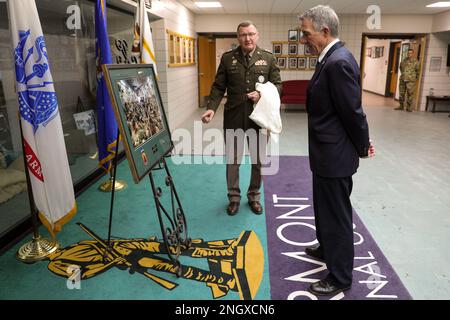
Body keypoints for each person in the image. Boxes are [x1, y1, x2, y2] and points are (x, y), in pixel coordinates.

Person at [298, 5, 375, 296]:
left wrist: (363, 146)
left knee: (336, 216)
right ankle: (327, 247)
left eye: (307, 34)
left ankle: (340, 276)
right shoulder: (328, 57)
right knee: (323, 207)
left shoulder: (338, 62)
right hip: (326, 153)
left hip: (335, 156)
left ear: (325, 31)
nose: (303, 39)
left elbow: (353, 112)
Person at [201, 21, 282, 216]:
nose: (248, 38)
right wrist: (211, 107)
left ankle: (254, 196)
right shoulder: (228, 59)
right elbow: (219, 86)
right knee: (233, 161)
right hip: (234, 118)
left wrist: (262, 95)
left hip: (259, 120)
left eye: (251, 34)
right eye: (243, 35)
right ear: (238, 37)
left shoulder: (268, 59)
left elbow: (278, 86)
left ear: (257, 35)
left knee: (258, 161)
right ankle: (234, 198)